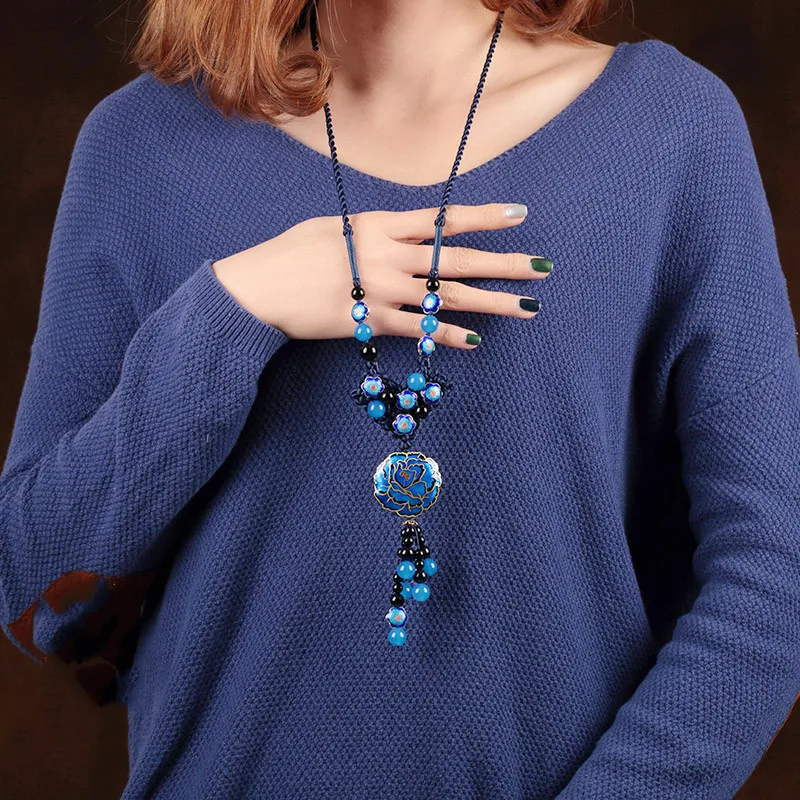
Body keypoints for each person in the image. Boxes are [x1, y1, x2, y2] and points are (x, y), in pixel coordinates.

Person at [1, 0, 798, 797]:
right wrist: (229, 313)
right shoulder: (140, 146)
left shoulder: (667, 129)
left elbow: (773, 573)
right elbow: (34, 590)